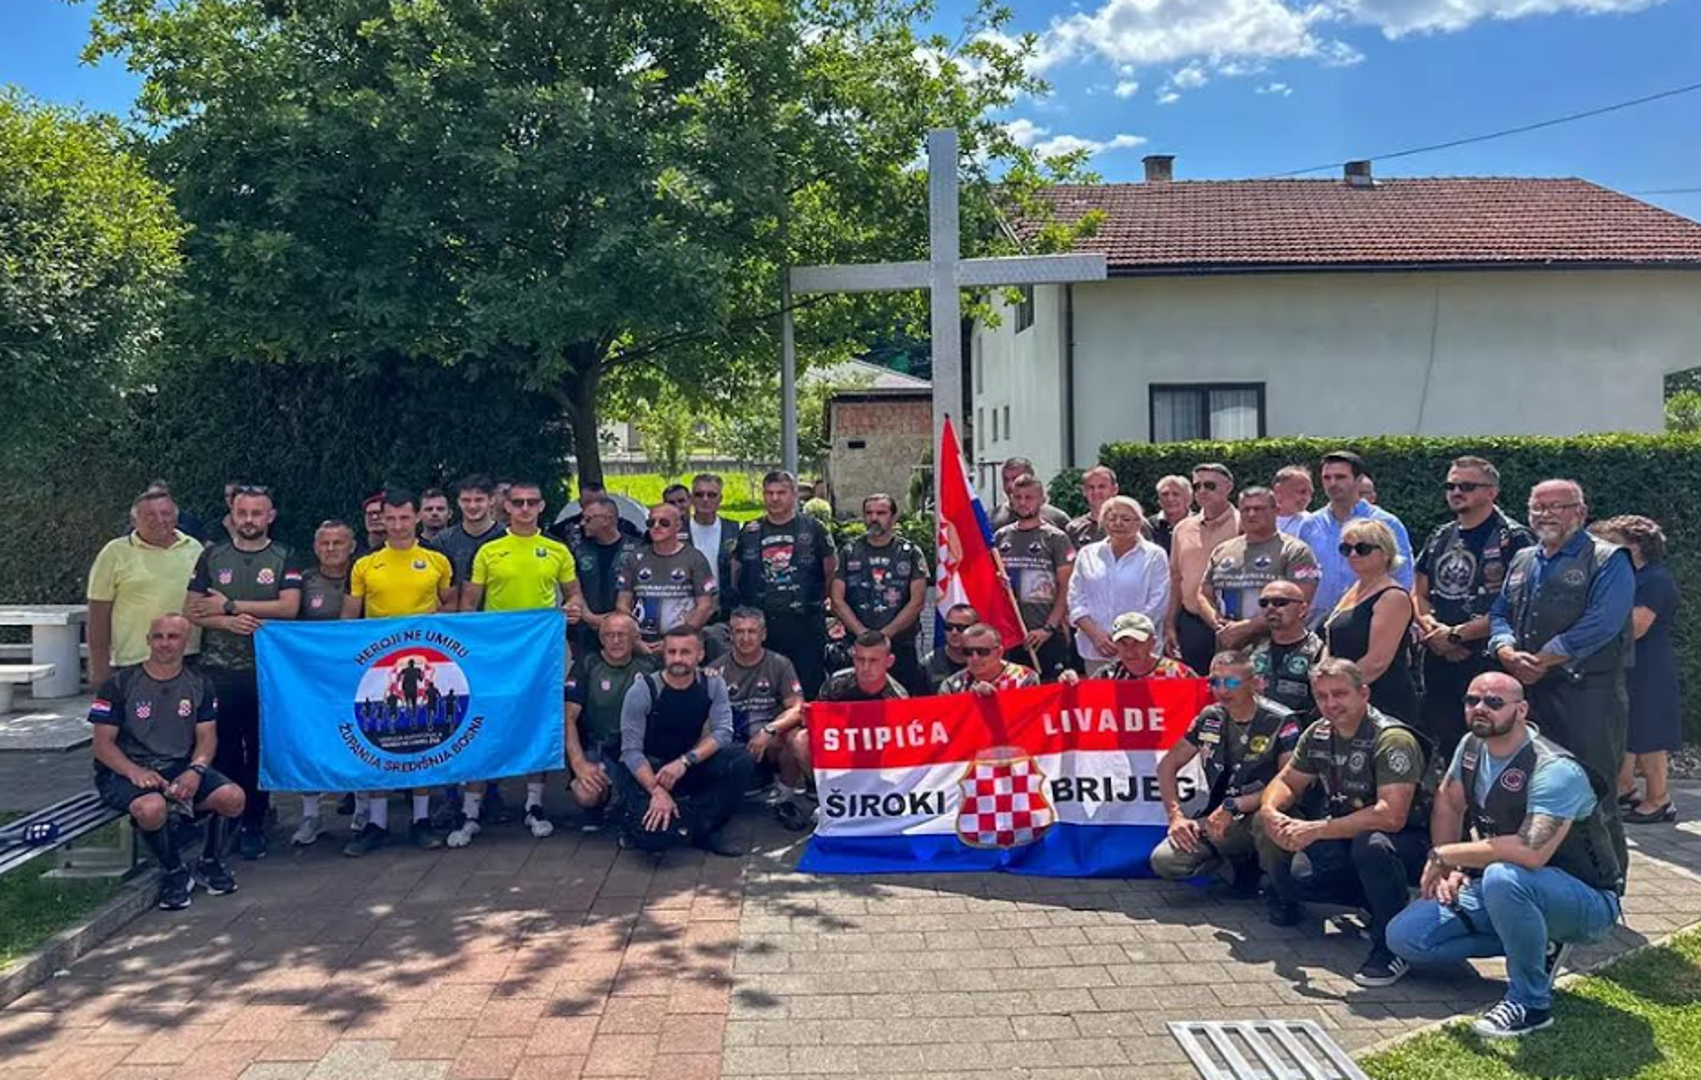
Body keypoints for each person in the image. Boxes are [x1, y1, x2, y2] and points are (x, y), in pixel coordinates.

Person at [1387, 672, 1623, 1039]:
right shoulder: (1471, 747)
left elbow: (1531, 851)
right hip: (1510, 887)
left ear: (1522, 709)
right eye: (1472, 700)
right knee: (1405, 937)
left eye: (1494, 702)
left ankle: (1530, 1002)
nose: (1480, 708)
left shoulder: (1555, 769)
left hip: (1587, 900)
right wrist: (1453, 868)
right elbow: (1449, 802)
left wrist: (1445, 853)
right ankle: (1536, 942)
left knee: (1502, 875)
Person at [1258, 658, 1435, 988]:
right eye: (1322, 696)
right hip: (1345, 832)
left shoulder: (1392, 738)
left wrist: (1317, 830)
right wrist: (1270, 811)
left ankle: (1391, 946)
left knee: (1372, 845)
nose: (1330, 704)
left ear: (1363, 693)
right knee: (1292, 879)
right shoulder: (1318, 732)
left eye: (1339, 694)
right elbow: (1287, 781)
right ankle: (1378, 902)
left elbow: (1391, 815)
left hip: (1409, 841)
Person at [1489, 478, 1634, 873]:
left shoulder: (1608, 559)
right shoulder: (1523, 559)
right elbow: (1500, 612)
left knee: (1592, 790)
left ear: (1580, 513)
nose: (1545, 514)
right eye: (1538, 507)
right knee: (1532, 786)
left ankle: (1607, 884)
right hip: (1532, 693)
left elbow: (1604, 622)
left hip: (1589, 696)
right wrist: (1505, 649)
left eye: (1557, 506)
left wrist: (1543, 658)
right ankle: (1544, 875)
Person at [445, 481, 583, 847]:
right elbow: (469, 604)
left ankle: (534, 806)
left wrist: (572, 609)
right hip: (494, 656)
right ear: (505, 506)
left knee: (536, 723)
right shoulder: (489, 550)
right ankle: (470, 812)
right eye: (518, 502)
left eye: (531, 502)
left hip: (539, 656)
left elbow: (574, 595)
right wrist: (469, 647)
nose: (524, 508)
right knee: (483, 724)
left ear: (542, 506)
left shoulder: (557, 549)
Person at [90, 614, 244, 910]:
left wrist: (196, 770)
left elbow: (207, 737)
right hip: (125, 770)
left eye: (173, 637)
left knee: (232, 798)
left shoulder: (200, 683)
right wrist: (134, 771)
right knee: (151, 808)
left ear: (186, 642)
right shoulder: (119, 684)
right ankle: (174, 872)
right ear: (148, 640)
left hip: (177, 765)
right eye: (158, 636)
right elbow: (102, 745)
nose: (164, 643)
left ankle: (209, 862)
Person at [184, 486, 302, 861]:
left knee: (260, 748)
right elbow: (192, 609)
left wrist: (231, 605)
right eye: (242, 513)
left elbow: (289, 607)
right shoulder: (212, 555)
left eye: (256, 513)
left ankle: (255, 820)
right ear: (232, 515)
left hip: (266, 671)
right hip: (218, 669)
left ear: (270, 516)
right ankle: (228, 818)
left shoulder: (284, 555)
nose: (249, 520)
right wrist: (228, 622)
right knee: (225, 747)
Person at [342, 490, 455, 855]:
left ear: (417, 517)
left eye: (404, 518)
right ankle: (376, 824)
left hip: (424, 663)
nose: (397, 525)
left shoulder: (438, 559)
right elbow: (349, 618)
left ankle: (421, 820)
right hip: (378, 666)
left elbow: (453, 607)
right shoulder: (364, 564)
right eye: (389, 518)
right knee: (377, 737)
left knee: (422, 737)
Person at [1413, 457, 1536, 760]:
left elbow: (1519, 604)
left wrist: (1457, 635)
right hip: (1440, 658)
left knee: (1494, 744)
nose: (1456, 492)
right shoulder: (1441, 535)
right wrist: (1436, 633)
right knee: (1448, 743)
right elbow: (1418, 592)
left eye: (1467, 486)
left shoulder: (1514, 538)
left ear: (1491, 492)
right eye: (1451, 486)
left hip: (1489, 659)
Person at [1153, 651, 1302, 893]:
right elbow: (1167, 766)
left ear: (1254, 683)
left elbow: (1289, 783)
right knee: (1165, 860)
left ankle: (1282, 892)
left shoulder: (1282, 720)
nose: (1222, 690)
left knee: (1266, 821)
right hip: (1218, 818)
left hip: (1262, 811)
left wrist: (1235, 805)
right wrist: (1176, 817)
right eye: (1215, 681)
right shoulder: (1209, 717)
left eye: (1231, 682)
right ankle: (1229, 867)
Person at [617, 627, 754, 856]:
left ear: (700, 655)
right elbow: (631, 751)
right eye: (672, 652)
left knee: (740, 759)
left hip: (687, 765)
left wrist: (685, 762)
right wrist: (656, 791)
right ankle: (640, 816)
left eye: (685, 652)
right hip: (650, 771)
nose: (677, 658)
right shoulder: (643, 690)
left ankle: (705, 828)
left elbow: (723, 732)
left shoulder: (712, 684)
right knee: (654, 841)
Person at [1588, 515, 1681, 825]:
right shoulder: (1629, 576)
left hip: (1648, 666)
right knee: (1626, 730)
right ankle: (1625, 788)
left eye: (1614, 542)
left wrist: (1592, 625)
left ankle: (1659, 799)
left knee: (1649, 732)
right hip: (1625, 664)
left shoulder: (1654, 579)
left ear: (1637, 545)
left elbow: (1636, 627)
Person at [732, 471, 837, 701]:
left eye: (781, 492)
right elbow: (736, 572)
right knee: (766, 689)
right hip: (763, 626)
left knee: (808, 687)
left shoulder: (814, 529)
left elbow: (831, 570)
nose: (775, 498)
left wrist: (821, 600)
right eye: (769, 493)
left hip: (805, 624)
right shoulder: (750, 531)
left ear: (794, 494)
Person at [88, 486, 205, 688]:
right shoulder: (114, 553)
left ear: (176, 517)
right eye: (150, 515)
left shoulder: (195, 548)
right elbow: (98, 614)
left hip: (187, 657)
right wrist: (99, 667)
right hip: (134, 659)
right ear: (134, 521)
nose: (160, 520)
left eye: (166, 513)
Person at [290, 519, 356, 847]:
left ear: (351, 547)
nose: (331, 549)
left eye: (338, 543)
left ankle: (364, 808)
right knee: (311, 741)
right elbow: (285, 627)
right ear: (316, 547)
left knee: (358, 738)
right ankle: (311, 814)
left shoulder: (363, 576)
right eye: (325, 543)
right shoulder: (303, 582)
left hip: (354, 675)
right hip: (312, 679)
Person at [1298, 451, 1414, 629]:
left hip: (1369, 625)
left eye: (1340, 477)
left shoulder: (1386, 523)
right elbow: (1302, 576)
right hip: (1316, 626)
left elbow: (1403, 578)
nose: (1332, 483)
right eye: (1327, 478)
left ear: (1359, 480)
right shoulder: (1309, 526)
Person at [1322, 518, 1420, 724]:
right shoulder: (1352, 591)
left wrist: (1339, 692)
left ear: (1386, 553)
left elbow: (1377, 661)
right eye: (1346, 549)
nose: (1353, 554)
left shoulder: (1392, 596)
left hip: (1382, 702)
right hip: (1344, 700)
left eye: (1362, 548)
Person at [1199, 486, 1320, 652]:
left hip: (1276, 649)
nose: (1251, 514)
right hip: (1228, 648)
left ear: (1276, 510)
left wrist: (1245, 628)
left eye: (1258, 509)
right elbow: (1203, 595)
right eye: (1245, 509)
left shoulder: (1296, 551)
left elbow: (1299, 602)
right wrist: (1218, 624)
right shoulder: (1222, 551)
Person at [831, 494, 928, 693]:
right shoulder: (849, 551)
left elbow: (917, 601)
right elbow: (837, 599)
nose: (874, 518)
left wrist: (884, 635)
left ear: (893, 517)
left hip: (899, 645)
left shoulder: (910, 553)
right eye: (869, 513)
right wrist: (863, 634)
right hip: (858, 646)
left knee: (905, 701)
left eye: (881, 513)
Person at [565, 613, 657, 820]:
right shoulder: (587, 664)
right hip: (599, 747)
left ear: (635, 638)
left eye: (622, 635)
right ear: (601, 639)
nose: (615, 641)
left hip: (641, 749)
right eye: (608, 635)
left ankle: (629, 800)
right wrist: (579, 764)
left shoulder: (650, 665)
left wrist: (709, 674)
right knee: (586, 793)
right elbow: (568, 718)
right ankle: (597, 808)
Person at [704, 608, 806, 793]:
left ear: (763, 634)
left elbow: (798, 708)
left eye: (752, 631)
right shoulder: (715, 669)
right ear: (731, 636)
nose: (745, 638)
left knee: (793, 734)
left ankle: (785, 791)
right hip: (732, 739)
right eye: (739, 632)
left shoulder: (780, 664)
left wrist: (768, 731)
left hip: (768, 738)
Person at [1067, 496, 1168, 676]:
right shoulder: (1087, 554)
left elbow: (1158, 603)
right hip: (1096, 649)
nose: (1118, 523)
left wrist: (1127, 641)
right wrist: (1095, 635)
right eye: (1112, 518)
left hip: (1140, 651)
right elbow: (1075, 599)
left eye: (1126, 519)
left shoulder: (1155, 555)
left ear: (1139, 523)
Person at [995, 474, 1076, 680]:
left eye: (1029, 497)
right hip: (1011, 635)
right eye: (1018, 497)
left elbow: (1066, 587)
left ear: (1042, 500)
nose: (1023, 502)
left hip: (1045, 635)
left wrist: (1048, 628)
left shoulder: (1056, 538)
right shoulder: (1001, 536)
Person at [1166, 463, 1239, 674]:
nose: (1202, 491)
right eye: (1197, 486)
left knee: (1232, 684)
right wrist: (1170, 625)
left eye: (1209, 485)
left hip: (1233, 624)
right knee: (1193, 686)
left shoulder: (1243, 524)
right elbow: (1176, 578)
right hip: (1192, 623)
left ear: (1228, 487)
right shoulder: (1182, 528)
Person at [618, 502, 717, 651]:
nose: (656, 527)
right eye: (651, 523)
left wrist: (676, 640)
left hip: (681, 645)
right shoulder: (635, 558)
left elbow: (705, 606)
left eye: (664, 523)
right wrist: (634, 638)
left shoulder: (695, 558)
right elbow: (622, 603)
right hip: (641, 642)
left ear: (678, 526)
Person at [566, 493, 642, 658]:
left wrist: (616, 620)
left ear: (607, 520)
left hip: (625, 630)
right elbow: (572, 589)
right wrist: (590, 617)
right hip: (586, 631)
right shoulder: (577, 550)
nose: (582, 523)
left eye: (588, 519)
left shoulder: (637, 549)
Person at [1249, 581, 1326, 716]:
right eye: (1264, 603)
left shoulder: (1319, 651)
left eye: (1280, 602)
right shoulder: (1253, 650)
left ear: (1302, 609)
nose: (1270, 608)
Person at [431, 474, 505, 609]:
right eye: (466, 500)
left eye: (479, 500)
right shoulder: (442, 541)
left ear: (491, 500)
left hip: (498, 617)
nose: (472, 506)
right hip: (455, 617)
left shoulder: (506, 537)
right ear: (458, 502)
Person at [1062, 612, 1194, 683]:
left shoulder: (1179, 674)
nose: (1130, 650)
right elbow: (1084, 704)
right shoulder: (1108, 676)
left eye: (1138, 642)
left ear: (1152, 643)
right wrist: (1069, 683)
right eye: (1123, 643)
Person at [686, 473, 741, 607]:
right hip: (687, 608)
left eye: (712, 495)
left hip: (725, 607)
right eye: (699, 495)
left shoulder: (735, 529)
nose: (705, 499)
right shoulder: (678, 530)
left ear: (720, 499)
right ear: (691, 498)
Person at [940, 623, 1040, 694]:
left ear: (999, 653)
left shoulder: (1025, 678)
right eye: (968, 652)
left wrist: (995, 701)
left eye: (983, 652)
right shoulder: (952, 685)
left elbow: (1031, 714)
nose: (975, 658)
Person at [819, 630, 910, 701]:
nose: (866, 667)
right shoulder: (836, 684)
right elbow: (818, 715)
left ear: (889, 661)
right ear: (853, 658)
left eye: (873, 660)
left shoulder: (898, 698)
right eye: (860, 659)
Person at [990, 457, 1071, 530]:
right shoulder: (991, 519)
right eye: (1006, 479)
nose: (1010, 485)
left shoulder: (1057, 519)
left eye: (1016, 478)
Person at [923, 603, 979, 693]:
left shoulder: (986, 660)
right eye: (949, 627)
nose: (954, 632)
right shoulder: (929, 664)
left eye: (961, 628)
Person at [1066, 465, 1120, 548]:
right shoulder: (1073, 529)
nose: (1096, 492)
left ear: (1115, 489)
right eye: (1091, 487)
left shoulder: (1131, 524)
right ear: (1084, 491)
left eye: (1102, 486)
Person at [1150, 475, 1193, 555]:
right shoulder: (1148, 526)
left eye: (1176, 494)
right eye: (1165, 494)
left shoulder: (1202, 524)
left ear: (1188, 499)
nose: (1170, 499)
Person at [1274, 465, 1315, 536]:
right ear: (1278, 490)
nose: (1307, 498)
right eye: (1302, 491)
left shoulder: (1312, 525)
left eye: (1310, 493)